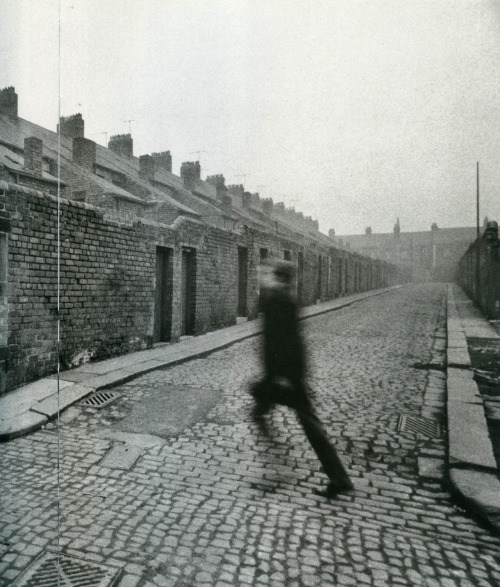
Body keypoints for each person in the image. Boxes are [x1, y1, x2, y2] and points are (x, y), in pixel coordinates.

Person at [251, 260, 354, 498]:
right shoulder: (276, 300)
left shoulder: (283, 302)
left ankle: (339, 478)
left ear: (281, 280)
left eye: (272, 276)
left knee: (311, 426)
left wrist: (287, 377)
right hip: (277, 375)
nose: (266, 279)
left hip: (287, 377)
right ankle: (272, 446)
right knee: (259, 404)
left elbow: (292, 344)